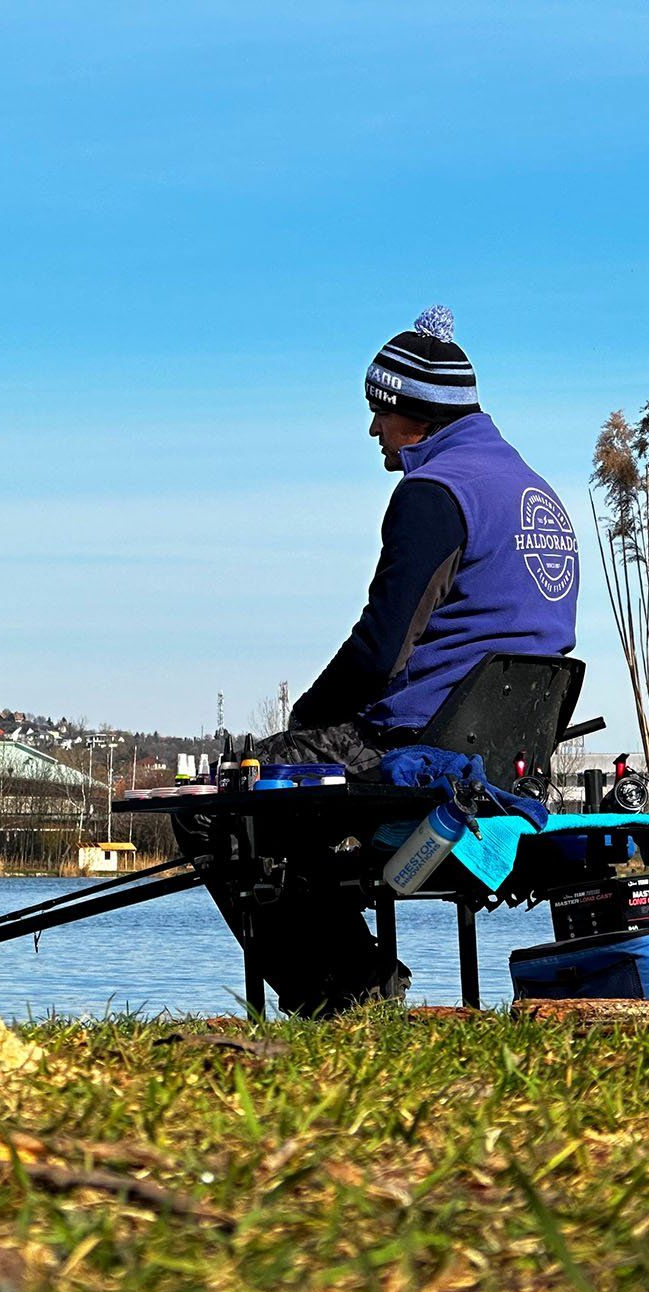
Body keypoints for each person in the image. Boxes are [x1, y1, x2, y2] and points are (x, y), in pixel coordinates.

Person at [187, 306, 580, 1013]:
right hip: (508, 754)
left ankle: (346, 998)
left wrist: (300, 720)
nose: (374, 431)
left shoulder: (435, 494)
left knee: (225, 803)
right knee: (281, 791)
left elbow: (378, 653)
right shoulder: (532, 491)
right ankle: (351, 971)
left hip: (422, 744)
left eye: (381, 414)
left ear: (418, 416)